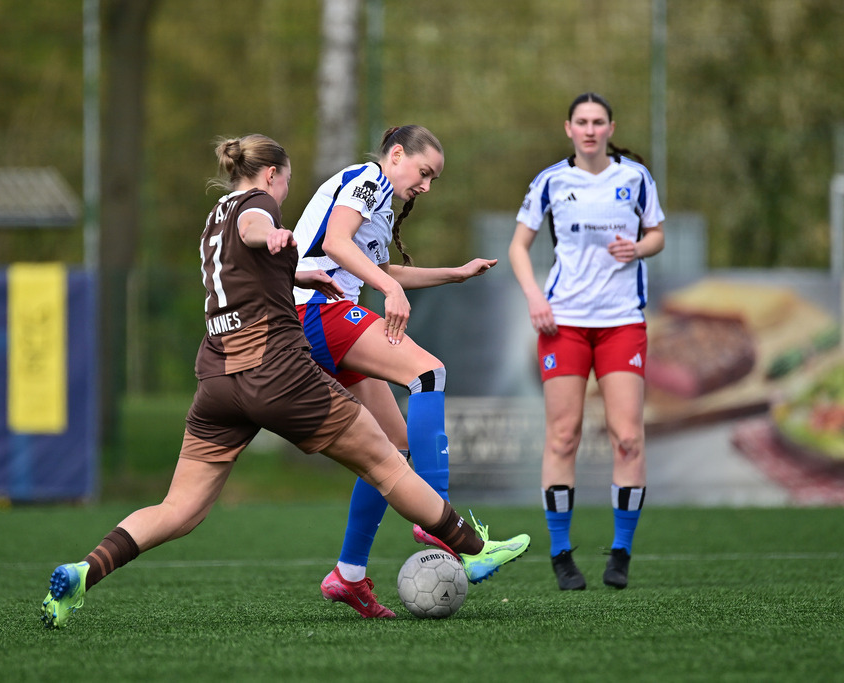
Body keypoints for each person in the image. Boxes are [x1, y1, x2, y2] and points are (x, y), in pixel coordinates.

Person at [40, 134, 531, 629]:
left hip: (218, 377)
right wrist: (272, 237)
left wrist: (299, 274)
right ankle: (467, 545)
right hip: (276, 371)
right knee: (389, 456)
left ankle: (84, 570)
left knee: (179, 509)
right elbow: (257, 229)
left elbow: (250, 267)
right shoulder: (264, 204)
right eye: (288, 181)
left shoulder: (214, 218)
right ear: (272, 174)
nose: (287, 194)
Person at [292, 125, 499, 618]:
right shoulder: (367, 177)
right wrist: (390, 291)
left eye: (433, 180)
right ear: (397, 155)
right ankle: (438, 515)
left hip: (315, 315)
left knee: (393, 448)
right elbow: (339, 244)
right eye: (424, 173)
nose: (426, 187)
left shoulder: (379, 200)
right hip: (315, 309)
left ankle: (349, 574)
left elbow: (380, 267)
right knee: (429, 373)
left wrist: (455, 273)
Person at [508, 93, 665, 591]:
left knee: (628, 436)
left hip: (622, 322)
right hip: (565, 324)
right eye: (582, 122)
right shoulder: (551, 181)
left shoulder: (634, 178)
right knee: (563, 435)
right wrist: (535, 296)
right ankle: (560, 555)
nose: (591, 129)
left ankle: (620, 553)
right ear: (569, 128)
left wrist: (638, 247)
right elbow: (518, 245)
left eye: (599, 122)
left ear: (610, 127)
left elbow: (658, 234)